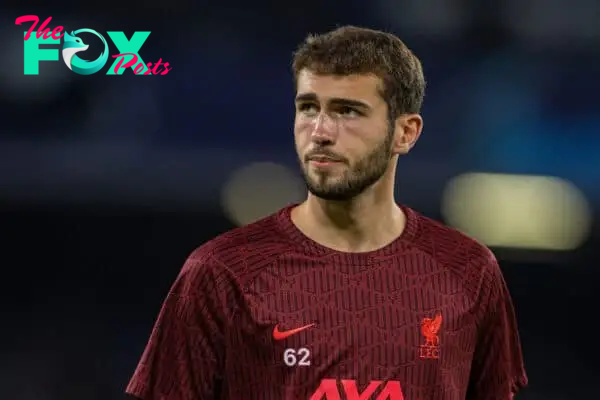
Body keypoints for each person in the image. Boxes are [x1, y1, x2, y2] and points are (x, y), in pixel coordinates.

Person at [125, 26, 527, 400]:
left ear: (405, 133)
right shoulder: (222, 271)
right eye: (307, 107)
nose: (319, 131)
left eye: (347, 111)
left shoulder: (468, 270)